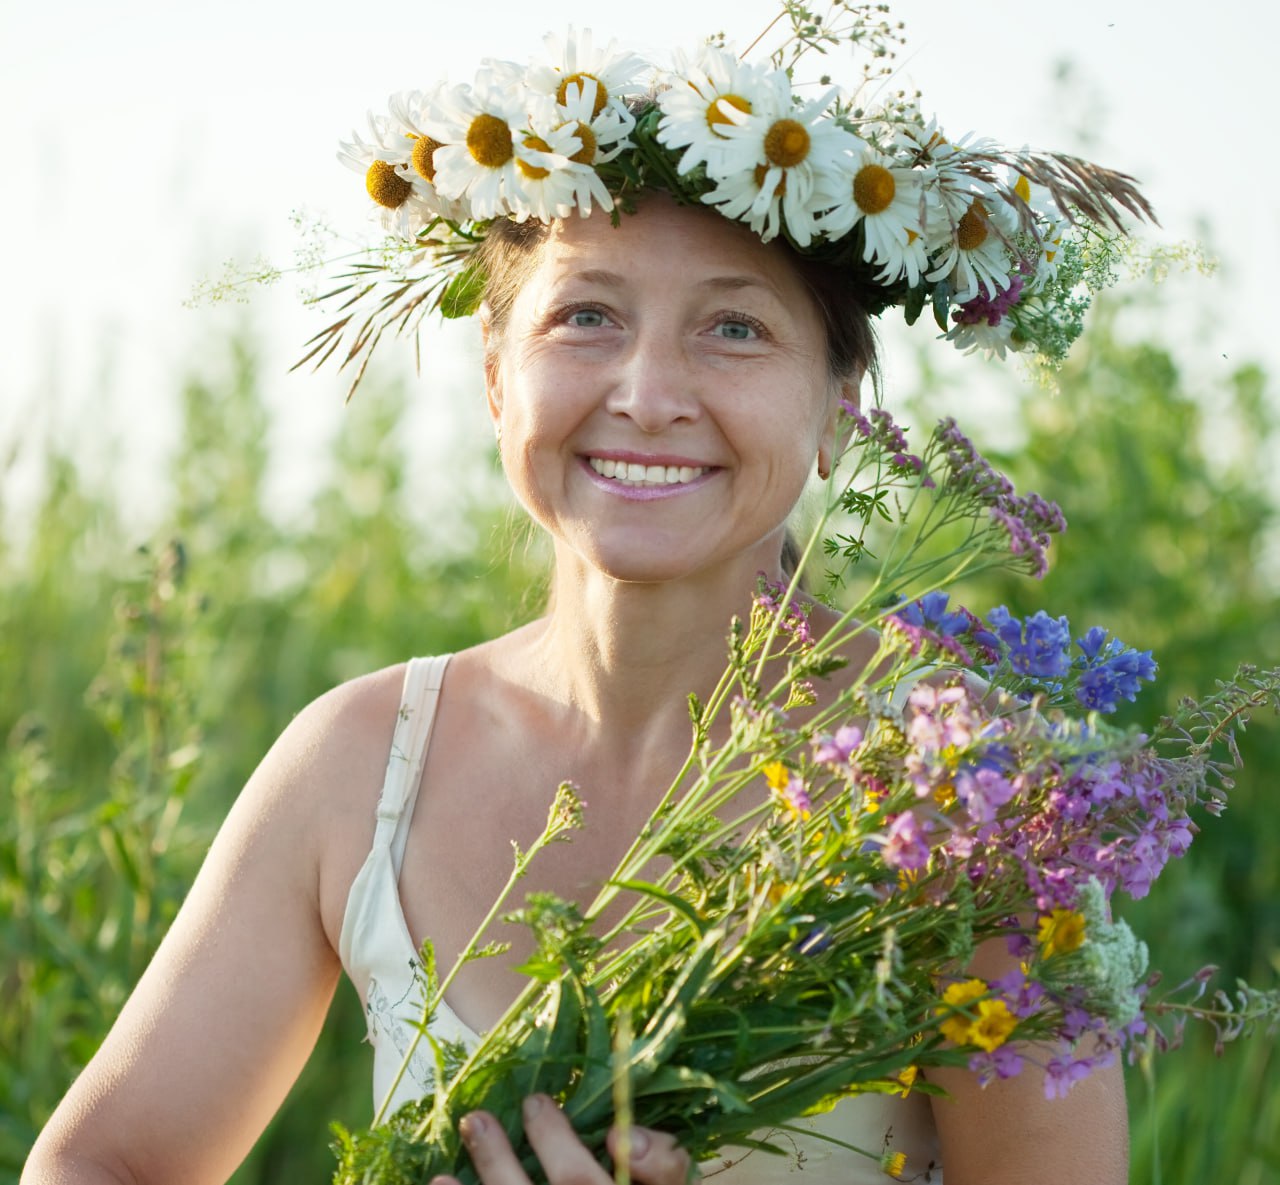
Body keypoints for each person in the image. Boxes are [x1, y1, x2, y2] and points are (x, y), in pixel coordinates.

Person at [25, 24, 1143, 1185]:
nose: (648, 395)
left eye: (734, 328)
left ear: (837, 409)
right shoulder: (364, 761)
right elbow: (102, 1164)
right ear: (496, 376)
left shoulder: (957, 795)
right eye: (585, 317)